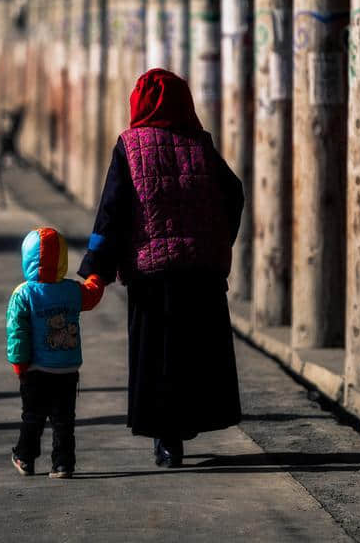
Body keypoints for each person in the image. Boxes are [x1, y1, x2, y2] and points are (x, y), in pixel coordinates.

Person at [78, 68, 244, 469]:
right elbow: (233, 193)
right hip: (200, 272)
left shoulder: (129, 147)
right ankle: (185, 428)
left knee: (159, 357)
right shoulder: (201, 145)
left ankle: (167, 442)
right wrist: (218, 240)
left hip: (153, 276)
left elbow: (111, 212)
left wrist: (96, 267)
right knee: (193, 354)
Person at [6, 227, 104, 478]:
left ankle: (25, 457)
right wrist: (97, 274)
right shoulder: (71, 290)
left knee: (33, 417)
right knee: (64, 420)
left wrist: (19, 364)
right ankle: (63, 463)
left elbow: (17, 332)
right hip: (67, 369)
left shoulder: (23, 293)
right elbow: (92, 295)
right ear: (61, 260)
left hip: (36, 370)